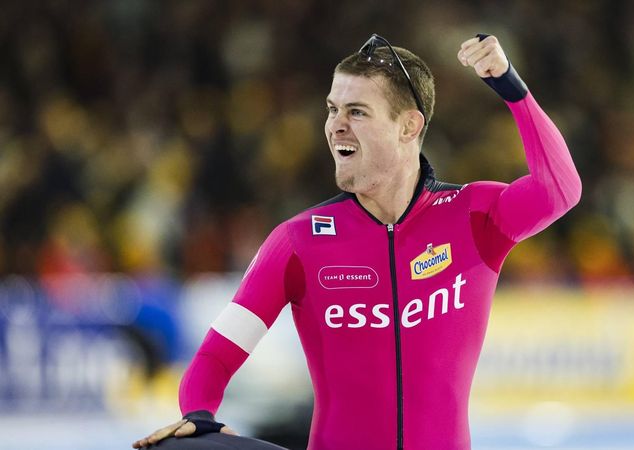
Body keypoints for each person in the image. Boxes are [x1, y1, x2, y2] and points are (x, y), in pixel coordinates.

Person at [133, 32, 581, 450]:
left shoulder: (473, 217)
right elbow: (214, 358)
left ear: (408, 126)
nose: (335, 126)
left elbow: (560, 190)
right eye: (332, 109)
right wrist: (200, 415)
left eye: (357, 112)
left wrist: (511, 87)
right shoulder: (298, 242)